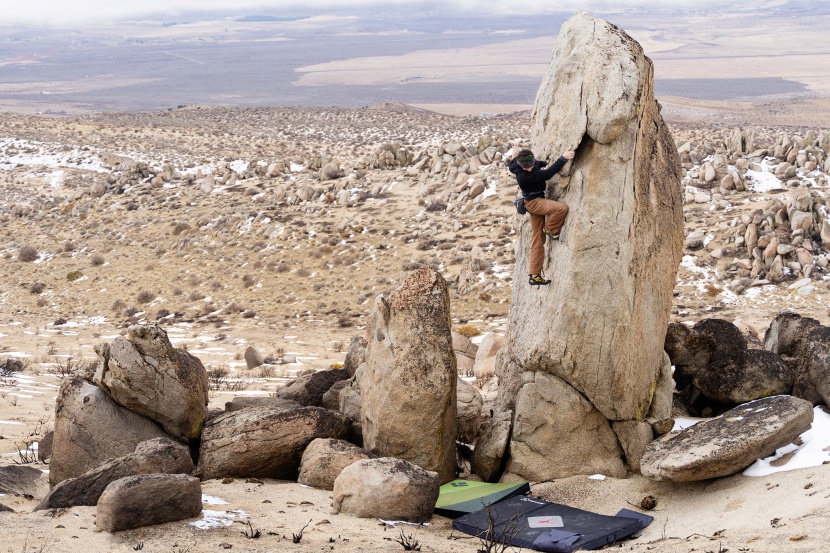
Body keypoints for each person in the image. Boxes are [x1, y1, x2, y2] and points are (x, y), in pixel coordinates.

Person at [508, 147, 575, 286]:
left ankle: (534, 275)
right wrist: (563, 158)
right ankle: (550, 229)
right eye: (525, 167)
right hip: (534, 203)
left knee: (537, 239)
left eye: (530, 165)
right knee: (561, 209)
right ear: (521, 166)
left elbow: (534, 165)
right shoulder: (526, 176)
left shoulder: (518, 163)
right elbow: (549, 174)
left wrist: (543, 162)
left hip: (531, 202)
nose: (528, 169)